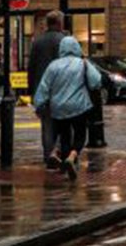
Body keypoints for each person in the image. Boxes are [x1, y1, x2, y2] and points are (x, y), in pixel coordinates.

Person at [33, 37, 102, 181]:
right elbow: (96, 82)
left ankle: (61, 159)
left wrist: (38, 104)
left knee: (64, 136)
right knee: (80, 135)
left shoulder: (53, 66)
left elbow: (44, 87)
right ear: (77, 47)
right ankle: (72, 156)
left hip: (58, 108)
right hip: (79, 106)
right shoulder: (82, 63)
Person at [28, 10, 65, 168]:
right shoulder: (64, 41)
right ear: (59, 23)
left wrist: (31, 92)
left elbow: (31, 68)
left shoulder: (37, 42)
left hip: (42, 91)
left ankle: (48, 155)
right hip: (61, 89)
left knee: (47, 125)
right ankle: (57, 152)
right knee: (63, 123)